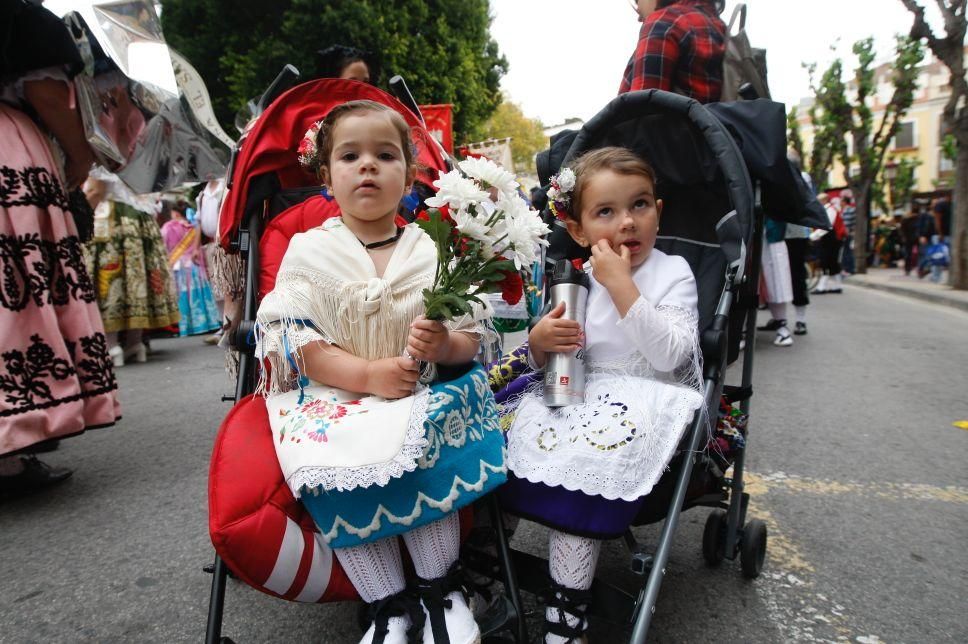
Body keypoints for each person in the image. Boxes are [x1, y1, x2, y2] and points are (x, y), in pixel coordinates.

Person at [254, 100, 505, 644]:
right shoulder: (308, 250)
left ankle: (441, 588)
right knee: (329, 455)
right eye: (350, 156)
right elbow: (298, 340)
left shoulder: (431, 249)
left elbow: (473, 337)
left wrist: (445, 344)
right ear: (326, 176)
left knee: (425, 442)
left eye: (384, 155)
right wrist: (366, 375)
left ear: (410, 175)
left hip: (423, 387)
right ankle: (387, 602)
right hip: (340, 390)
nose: (367, 166)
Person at [501, 147, 705, 643]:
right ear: (578, 230)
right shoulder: (577, 280)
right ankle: (494, 569)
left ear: (659, 210)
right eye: (606, 212)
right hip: (581, 392)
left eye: (640, 205)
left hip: (644, 399)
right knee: (503, 440)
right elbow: (561, 352)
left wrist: (622, 286)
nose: (627, 223)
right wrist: (541, 344)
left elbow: (671, 354)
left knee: (585, 467)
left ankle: (566, 614)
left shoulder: (672, 271)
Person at [0, 0, 121, 497]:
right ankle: (11, 446)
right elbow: (46, 90)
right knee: (19, 286)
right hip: (8, 151)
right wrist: (79, 151)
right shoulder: (17, 18)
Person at [83, 174, 180, 366]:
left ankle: (111, 346)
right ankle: (134, 344)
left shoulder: (106, 149)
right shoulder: (145, 153)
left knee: (110, 280)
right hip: (141, 220)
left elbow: (97, 190)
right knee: (137, 280)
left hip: (114, 219)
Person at [619, 0, 727, 104]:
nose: (638, 16)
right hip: (709, 121)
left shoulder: (664, 22)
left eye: (637, 1)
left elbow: (640, 110)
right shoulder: (720, 28)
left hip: (667, 122)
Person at [160, 201, 221, 337]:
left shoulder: (169, 226)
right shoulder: (193, 227)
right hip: (195, 265)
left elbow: (162, 244)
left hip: (179, 266)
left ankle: (186, 327)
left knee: (183, 297)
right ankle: (208, 323)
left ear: (175, 213)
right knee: (200, 295)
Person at [757, 217, 795, 346]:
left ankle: (782, 326)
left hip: (771, 231)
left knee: (776, 279)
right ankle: (741, 331)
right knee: (744, 281)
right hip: (746, 229)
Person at [811, 193, 844, 294]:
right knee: (831, 263)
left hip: (831, 240)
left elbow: (826, 226)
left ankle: (822, 287)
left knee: (825, 262)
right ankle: (837, 286)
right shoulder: (827, 209)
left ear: (824, 200)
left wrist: (812, 237)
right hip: (830, 239)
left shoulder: (830, 210)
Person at [840, 190, 856, 274]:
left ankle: (850, 269)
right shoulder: (843, 210)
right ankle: (847, 268)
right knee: (846, 252)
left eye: (841, 201)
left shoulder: (850, 210)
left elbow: (847, 223)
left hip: (847, 234)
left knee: (848, 252)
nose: (840, 202)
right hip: (845, 234)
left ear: (844, 202)